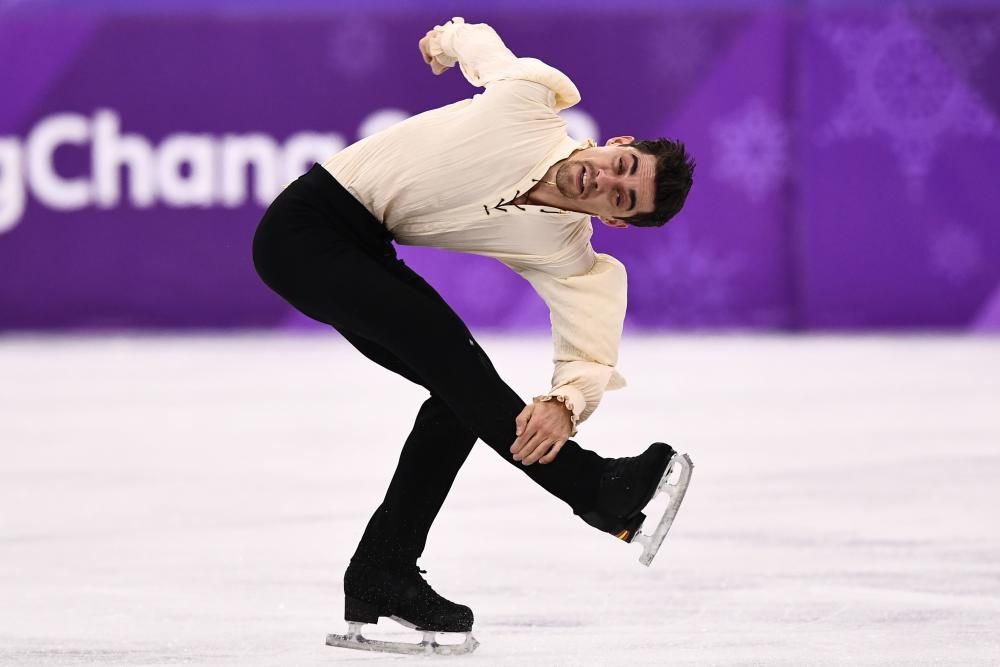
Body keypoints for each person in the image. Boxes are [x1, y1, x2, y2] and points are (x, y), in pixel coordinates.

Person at [251, 17, 695, 655]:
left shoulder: (567, 248)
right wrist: (445, 39)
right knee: (449, 356)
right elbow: (484, 46)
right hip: (305, 227)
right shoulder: (531, 102)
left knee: (458, 399)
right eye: (621, 165)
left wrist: (565, 405)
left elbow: (589, 344)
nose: (606, 181)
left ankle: (383, 571)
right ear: (617, 141)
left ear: (614, 222)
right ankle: (593, 489)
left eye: (622, 198)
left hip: (365, 252)